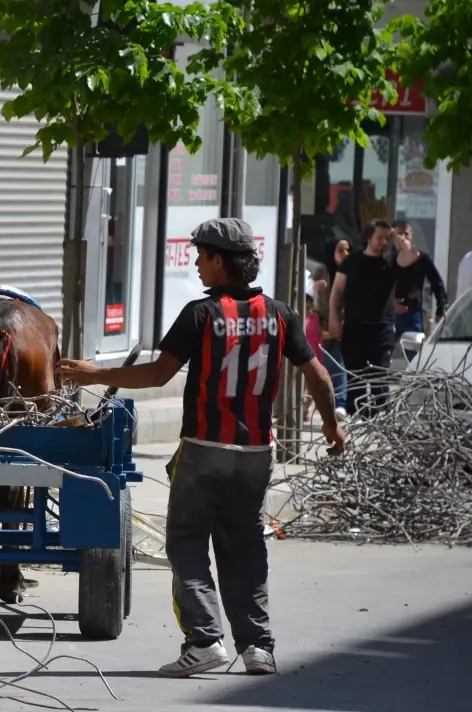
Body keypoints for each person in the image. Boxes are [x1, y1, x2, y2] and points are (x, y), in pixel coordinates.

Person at [58, 218, 345, 679]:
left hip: (204, 448)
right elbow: (318, 375)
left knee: (187, 543)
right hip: (255, 453)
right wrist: (332, 428)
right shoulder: (281, 313)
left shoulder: (201, 313)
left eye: (201, 255)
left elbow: (156, 375)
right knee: (246, 546)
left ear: (220, 260)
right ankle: (257, 648)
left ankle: (204, 640)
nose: (194, 263)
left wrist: (94, 373)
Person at [328, 221, 420, 416]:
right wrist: (334, 319)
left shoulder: (392, 261)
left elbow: (412, 255)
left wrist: (398, 236)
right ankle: (356, 417)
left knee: (380, 376)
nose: (384, 242)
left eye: (387, 238)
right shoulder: (351, 262)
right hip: (354, 326)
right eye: (380, 237)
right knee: (356, 377)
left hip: (382, 329)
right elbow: (337, 291)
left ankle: (380, 417)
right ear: (369, 237)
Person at [311, 239, 350, 416]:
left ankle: (340, 402)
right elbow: (309, 297)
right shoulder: (321, 271)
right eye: (341, 250)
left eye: (347, 250)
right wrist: (315, 287)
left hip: (343, 326)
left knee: (339, 364)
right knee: (324, 366)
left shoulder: (351, 271)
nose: (345, 254)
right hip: (322, 326)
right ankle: (328, 402)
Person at [391, 221, 447, 346]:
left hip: (412, 311)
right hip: (390, 313)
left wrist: (441, 307)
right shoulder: (389, 258)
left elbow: (436, 282)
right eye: (399, 234)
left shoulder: (421, 258)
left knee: (414, 352)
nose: (403, 238)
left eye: (407, 234)